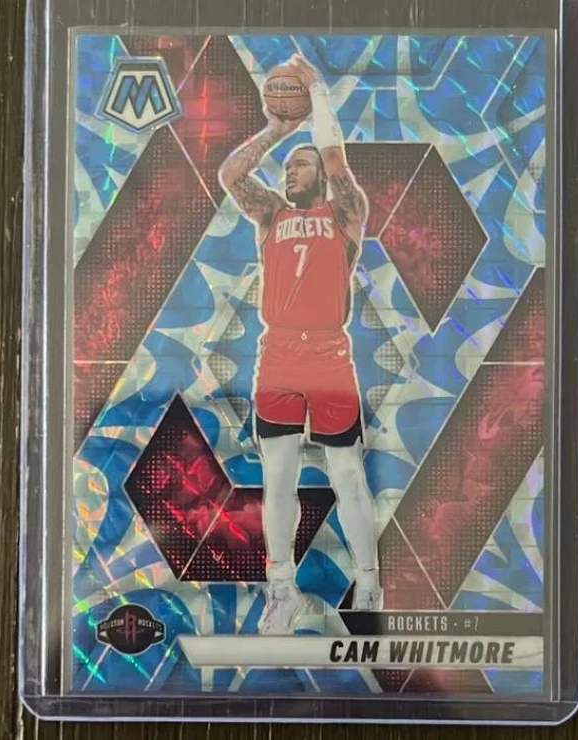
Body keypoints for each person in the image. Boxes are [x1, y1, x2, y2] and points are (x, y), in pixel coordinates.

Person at [219, 55, 381, 634]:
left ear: (319, 175)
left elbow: (336, 161)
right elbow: (230, 175)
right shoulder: (270, 214)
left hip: (330, 355)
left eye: (300, 164)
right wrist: (276, 129)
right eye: (288, 166)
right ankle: (282, 589)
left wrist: (319, 98)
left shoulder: (346, 212)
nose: (291, 170)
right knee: (280, 478)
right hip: (280, 355)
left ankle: (368, 583)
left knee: (347, 474)